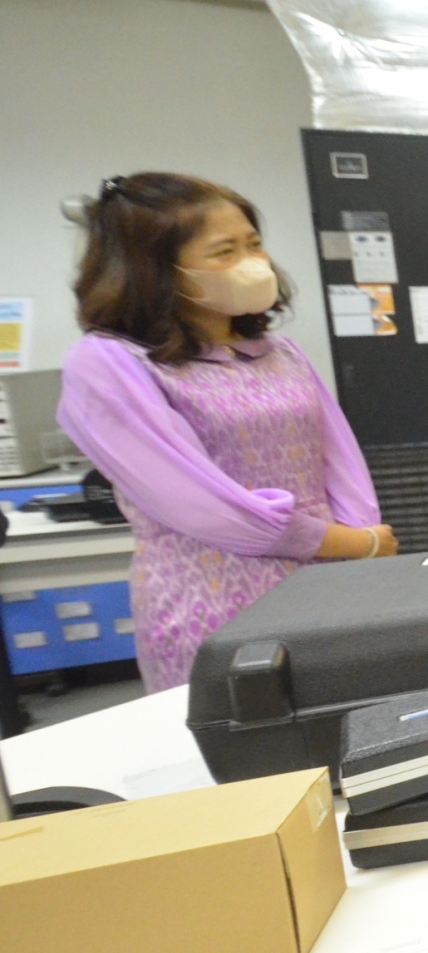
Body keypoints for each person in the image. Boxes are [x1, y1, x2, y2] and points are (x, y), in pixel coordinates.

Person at [56, 173, 394, 695]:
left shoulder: (278, 352)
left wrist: (364, 538)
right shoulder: (109, 363)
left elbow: (339, 459)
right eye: (225, 251)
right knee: (245, 737)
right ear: (155, 269)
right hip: (214, 599)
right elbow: (200, 506)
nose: (252, 262)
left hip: (329, 585)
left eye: (254, 243)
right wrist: (352, 542)